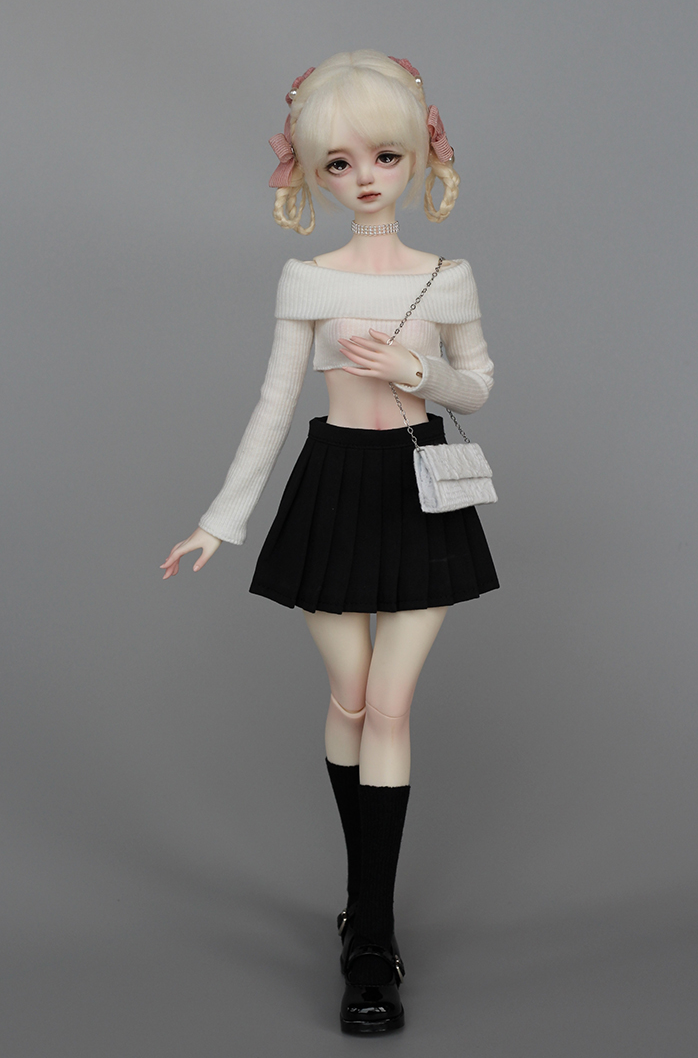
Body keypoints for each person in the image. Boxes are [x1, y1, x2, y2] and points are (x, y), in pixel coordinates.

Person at [161, 50, 499, 1034]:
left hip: (423, 490)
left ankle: (370, 944)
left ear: (421, 156)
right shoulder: (307, 278)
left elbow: (479, 385)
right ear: (311, 172)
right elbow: (274, 405)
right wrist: (221, 519)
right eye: (338, 164)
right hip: (333, 489)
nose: (364, 179)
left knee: (388, 706)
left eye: (384, 157)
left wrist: (416, 373)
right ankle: (362, 904)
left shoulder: (448, 277)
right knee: (351, 700)